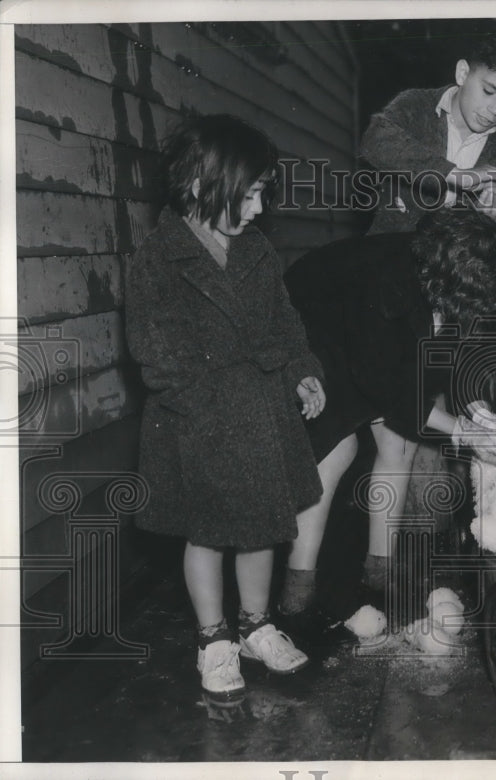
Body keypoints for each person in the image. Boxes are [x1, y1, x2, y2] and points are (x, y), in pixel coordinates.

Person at [125, 115, 325, 701]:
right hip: (197, 422)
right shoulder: (158, 259)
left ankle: (256, 627)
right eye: (251, 193)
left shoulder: (255, 250)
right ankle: (213, 639)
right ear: (200, 185)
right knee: (208, 533)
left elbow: (285, 323)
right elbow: (155, 352)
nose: (259, 209)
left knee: (261, 528)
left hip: (261, 412)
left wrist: (303, 371)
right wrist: (210, 409)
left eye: (263, 193)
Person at [279, 210, 496, 619]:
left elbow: (488, 331)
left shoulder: (468, 272)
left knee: (400, 443)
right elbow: (382, 384)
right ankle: (298, 585)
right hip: (318, 324)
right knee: (337, 448)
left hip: (375, 336)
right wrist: (461, 430)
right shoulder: (387, 283)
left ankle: (379, 571)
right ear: (441, 282)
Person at [359, 30, 496, 234]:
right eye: (489, 91)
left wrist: (492, 212)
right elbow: (375, 140)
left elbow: (483, 231)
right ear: (462, 73)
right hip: (388, 247)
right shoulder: (416, 105)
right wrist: (454, 174)